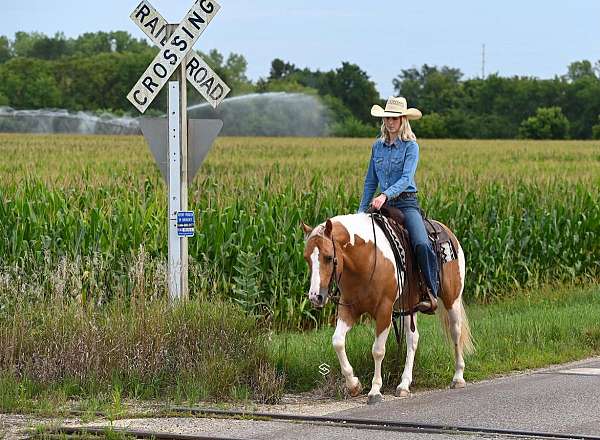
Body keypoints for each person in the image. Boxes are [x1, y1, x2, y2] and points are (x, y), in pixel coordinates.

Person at [358, 96, 439, 313]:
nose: (390, 122)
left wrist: (384, 195)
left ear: (403, 120)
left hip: (406, 203)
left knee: (421, 243)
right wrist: (359, 212)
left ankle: (431, 293)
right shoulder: (377, 147)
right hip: (381, 204)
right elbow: (370, 182)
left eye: (394, 118)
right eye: (387, 118)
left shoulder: (411, 147)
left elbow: (406, 178)